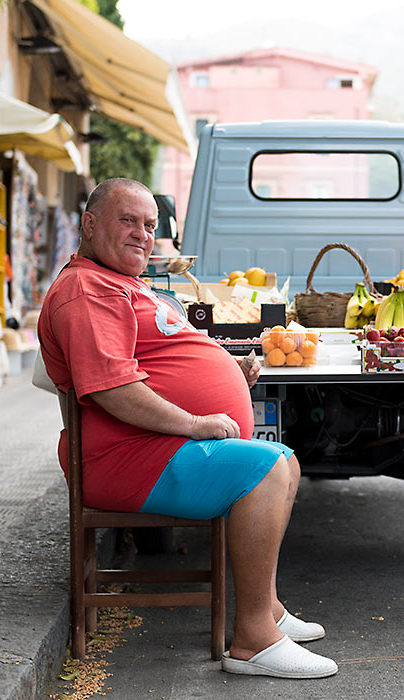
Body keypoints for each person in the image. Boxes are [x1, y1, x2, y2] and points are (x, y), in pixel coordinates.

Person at [38, 178, 338, 679]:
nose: (141, 235)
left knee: (285, 461)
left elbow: (158, 362)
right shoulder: (87, 291)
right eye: (127, 221)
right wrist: (196, 422)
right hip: (126, 459)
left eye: (150, 226)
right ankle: (253, 642)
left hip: (152, 448)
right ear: (89, 225)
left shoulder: (120, 283)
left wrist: (225, 370)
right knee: (265, 470)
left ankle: (269, 611)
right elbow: (112, 390)